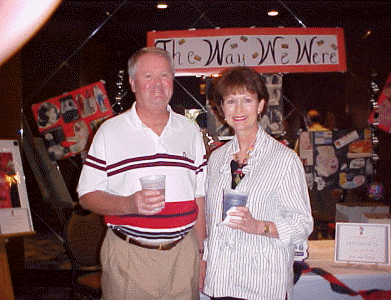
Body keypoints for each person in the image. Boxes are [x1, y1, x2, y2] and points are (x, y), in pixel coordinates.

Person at [76, 47, 207, 300]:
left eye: (165, 75)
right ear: (133, 83)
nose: (158, 84)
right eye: (148, 76)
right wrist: (129, 203)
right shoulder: (110, 131)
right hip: (130, 257)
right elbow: (86, 195)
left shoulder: (190, 131)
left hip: (184, 255)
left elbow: (198, 197)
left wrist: (201, 255)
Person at [203, 67, 313, 299]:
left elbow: (302, 224)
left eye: (247, 100)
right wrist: (205, 261)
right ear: (221, 108)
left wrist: (259, 226)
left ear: (261, 105)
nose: (239, 109)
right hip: (222, 281)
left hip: (263, 283)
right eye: (231, 101)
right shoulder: (217, 159)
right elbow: (211, 221)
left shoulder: (284, 160)